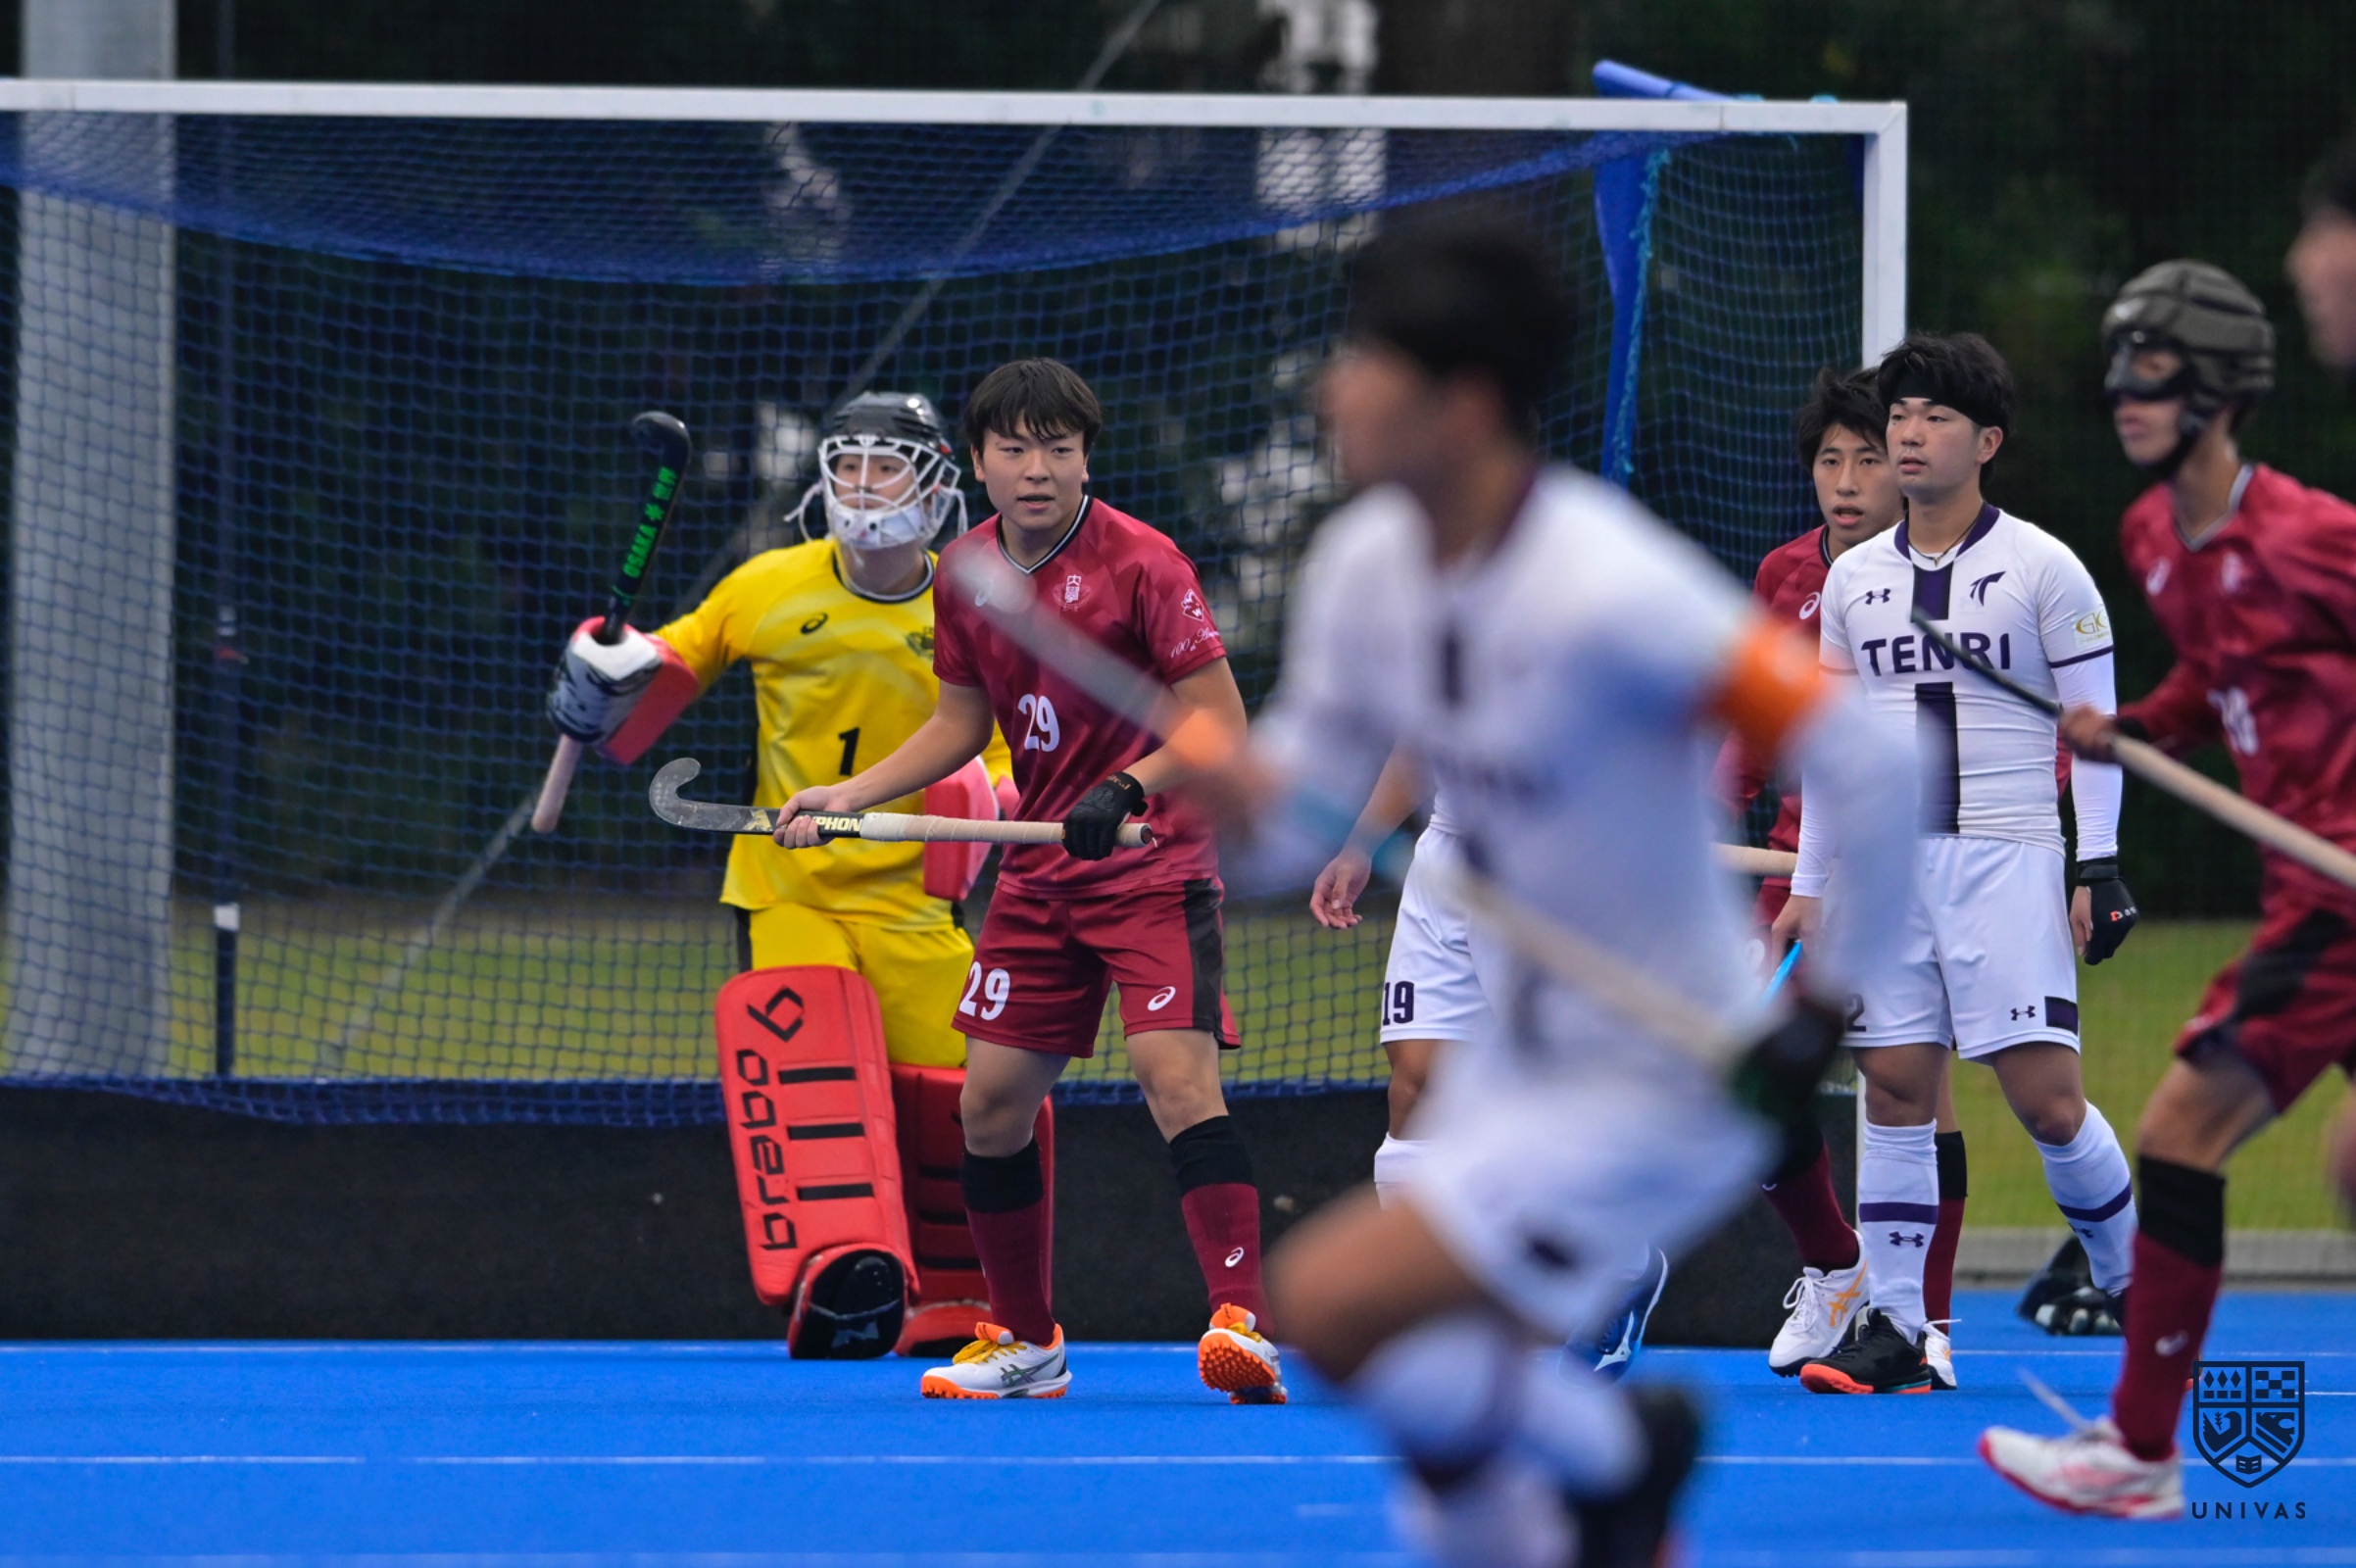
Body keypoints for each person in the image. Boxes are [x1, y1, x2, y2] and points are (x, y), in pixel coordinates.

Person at [1241, 218, 1916, 1568]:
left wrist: (1822, 1008)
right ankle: (1617, 1474)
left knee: (1335, 1302)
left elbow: (1875, 760)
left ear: (1463, 405)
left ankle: (1617, 1459)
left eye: (1367, 360)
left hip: (1668, 1072)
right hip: (1522, 1075)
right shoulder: (1363, 570)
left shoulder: (1608, 585)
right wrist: (1213, 796)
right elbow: (1269, 841)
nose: (1331, 389)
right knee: (1435, 1445)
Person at [771, 358, 1281, 1403]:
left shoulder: (1145, 563)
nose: (1037, 469)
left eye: (1058, 448)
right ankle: (1027, 1343)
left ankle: (1244, 1328)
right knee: (990, 1107)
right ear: (978, 462)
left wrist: (1127, 786)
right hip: (1042, 874)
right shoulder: (964, 572)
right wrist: (847, 796)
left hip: (1150, 861)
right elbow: (960, 721)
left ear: (1087, 457)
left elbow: (1219, 724)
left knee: (1175, 1080)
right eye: (1015, 449)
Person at [1982, 248, 2356, 1518]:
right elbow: (2219, 675)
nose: (2123, 393)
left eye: (2152, 369)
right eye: (2119, 367)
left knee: (2179, 1131)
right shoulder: (2153, 538)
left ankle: (2139, 1451)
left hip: (2340, 908)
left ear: (2221, 389)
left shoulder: (2313, 538)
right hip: (2308, 893)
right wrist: (2136, 725)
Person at [545, 392, 1017, 1355]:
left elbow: (1013, 760)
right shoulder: (767, 585)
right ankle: (844, 1268)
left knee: (963, 1094)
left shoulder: (983, 604)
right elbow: (653, 695)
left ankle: (956, 1290)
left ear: (935, 489)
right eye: (849, 465)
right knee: (816, 1071)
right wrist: (603, 677)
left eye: (888, 466)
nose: (865, 486)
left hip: (914, 900)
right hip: (788, 886)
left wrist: (991, 802)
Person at [1778, 333, 2141, 1396]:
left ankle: (2136, 1284)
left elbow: (2099, 729)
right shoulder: (1852, 580)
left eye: (1934, 416)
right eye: (1899, 415)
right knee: (1893, 1087)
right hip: (1884, 874)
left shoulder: (2044, 567)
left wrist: (2100, 865)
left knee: (2047, 1101)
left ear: (1985, 442)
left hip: (2006, 859)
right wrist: (1809, 885)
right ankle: (1899, 1330)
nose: (1908, 434)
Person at [1716, 368, 1976, 1383]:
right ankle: (1834, 1268)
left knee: (1913, 1089)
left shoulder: (1958, 574)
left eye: (1868, 458)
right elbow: (1752, 731)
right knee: (1746, 1081)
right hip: (1798, 871)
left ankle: (1925, 1323)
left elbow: (2015, 729)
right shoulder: (1784, 575)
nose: (1848, 479)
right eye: (1831, 460)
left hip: (1920, 873)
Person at [1311, 755, 1672, 1380]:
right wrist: (1361, 844)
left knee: (1555, 1084)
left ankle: (1623, 1268)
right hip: (1445, 858)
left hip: (1543, 863)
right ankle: (1421, 1320)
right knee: (1415, 1084)